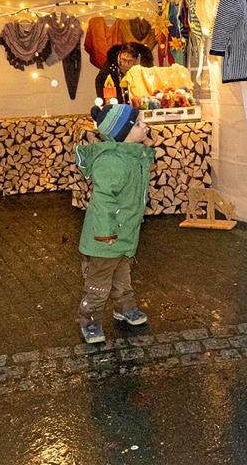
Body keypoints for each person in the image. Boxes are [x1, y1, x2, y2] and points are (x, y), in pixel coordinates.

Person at [75, 102, 154, 344]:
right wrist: (105, 233)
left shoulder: (132, 154)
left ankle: (124, 307)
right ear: (124, 134)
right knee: (98, 283)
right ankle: (89, 319)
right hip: (106, 237)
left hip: (125, 231)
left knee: (122, 274)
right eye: (140, 123)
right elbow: (103, 202)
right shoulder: (114, 162)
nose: (146, 126)